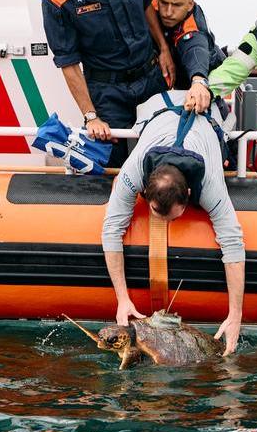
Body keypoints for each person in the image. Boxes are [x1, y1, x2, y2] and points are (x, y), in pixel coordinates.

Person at [102, 109, 244, 354]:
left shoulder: (209, 184)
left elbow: (233, 244)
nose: (167, 224)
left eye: (173, 217)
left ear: (189, 195)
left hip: (205, 121)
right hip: (158, 113)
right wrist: (122, 298)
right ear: (144, 193)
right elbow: (111, 230)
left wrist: (235, 314)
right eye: (159, 215)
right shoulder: (133, 173)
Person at [41, 0, 177, 168]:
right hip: (108, 92)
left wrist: (164, 48)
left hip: (150, 78)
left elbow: (145, 4)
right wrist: (91, 116)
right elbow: (68, 64)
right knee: (113, 166)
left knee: (165, 155)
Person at [150, 0, 223, 93]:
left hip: (208, 79)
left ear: (190, 5)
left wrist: (199, 81)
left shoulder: (194, 30)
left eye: (177, 5)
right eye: (164, 3)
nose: (168, 12)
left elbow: (196, 51)